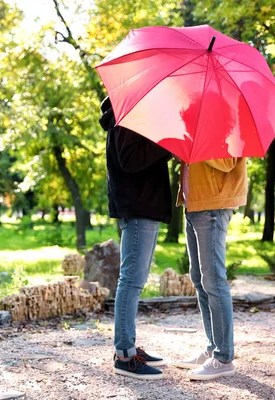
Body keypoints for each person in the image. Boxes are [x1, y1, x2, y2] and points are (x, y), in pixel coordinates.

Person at [99, 96, 172, 380]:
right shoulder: (126, 114)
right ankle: (124, 355)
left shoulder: (131, 113)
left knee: (134, 280)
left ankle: (127, 347)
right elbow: (131, 160)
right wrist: (166, 144)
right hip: (139, 207)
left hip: (144, 207)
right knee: (131, 281)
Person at [175, 158, 247, 380]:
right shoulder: (199, 127)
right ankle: (213, 347)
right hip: (194, 203)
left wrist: (195, 151)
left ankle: (224, 357)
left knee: (214, 281)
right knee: (198, 279)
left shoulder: (226, 123)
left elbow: (227, 162)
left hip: (213, 205)